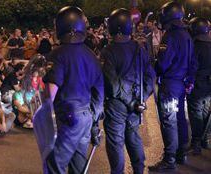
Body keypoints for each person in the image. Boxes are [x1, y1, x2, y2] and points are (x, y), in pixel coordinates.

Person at [42, 6, 104, 173]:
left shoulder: (58, 54)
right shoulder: (92, 55)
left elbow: (50, 92)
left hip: (69, 117)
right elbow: (99, 94)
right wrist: (95, 122)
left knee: (55, 162)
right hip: (87, 117)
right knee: (78, 164)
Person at [101, 9, 156, 174]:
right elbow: (150, 76)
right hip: (135, 104)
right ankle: (139, 169)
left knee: (116, 142)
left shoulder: (108, 51)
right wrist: (141, 97)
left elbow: (111, 82)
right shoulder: (139, 49)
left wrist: (131, 99)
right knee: (133, 137)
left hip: (116, 104)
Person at [149, 1, 197, 171]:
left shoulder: (170, 36)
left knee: (169, 121)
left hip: (170, 84)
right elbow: (193, 63)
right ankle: (181, 154)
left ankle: (169, 160)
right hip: (182, 84)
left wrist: (153, 65)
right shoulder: (187, 36)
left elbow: (163, 63)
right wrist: (189, 81)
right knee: (180, 119)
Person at [187, 17, 211, 155]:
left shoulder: (195, 46)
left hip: (197, 83)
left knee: (196, 112)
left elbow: (192, 66)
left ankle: (196, 142)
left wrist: (189, 82)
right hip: (209, 84)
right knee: (206, 112)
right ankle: (205, 140)